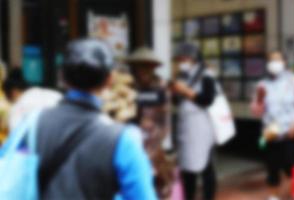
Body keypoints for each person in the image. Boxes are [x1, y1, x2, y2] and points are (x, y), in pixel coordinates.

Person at [15, 39, 157, 199]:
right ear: (110, 79)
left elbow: (10, 180)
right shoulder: (123, 139)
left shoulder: (32, 124)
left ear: (62, 76)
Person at [170, 42, 217, 200]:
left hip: (201, 125)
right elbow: (177, 102)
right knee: (186, 167)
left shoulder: (206, 74)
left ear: (193, 58)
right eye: (179, 59)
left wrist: (185, 91)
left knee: (205, 166)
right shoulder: (181, 75)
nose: (181, 61)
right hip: (185, 126)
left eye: (184, 58)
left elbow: (208, 99)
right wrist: (174, 93)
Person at [251, 51, 294, 200]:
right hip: (270, 133)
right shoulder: (262, 84)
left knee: (291, 168)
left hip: (290, 132)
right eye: (271, 60)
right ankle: (274, 196)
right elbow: (256, 112)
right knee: (272, 168)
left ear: (284, 62)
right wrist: (259, 100)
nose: (274, 63)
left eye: (277, 60)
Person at [127, 47, 174, 199]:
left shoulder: (160, 86)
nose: (141, 71)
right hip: (131, 140)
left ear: (152, 67)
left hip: (152, 143)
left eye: (145, 67)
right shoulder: (130, 85)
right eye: (137, 66)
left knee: (156, 181)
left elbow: (165, 121)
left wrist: (152, 147)